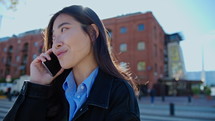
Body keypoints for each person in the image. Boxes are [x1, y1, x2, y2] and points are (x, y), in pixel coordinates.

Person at [3, 5, 140, 121]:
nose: (56, 43)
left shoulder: (119, 91)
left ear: (92, 33)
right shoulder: (51, 89)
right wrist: (36, 86)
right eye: (54, 37)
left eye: (64, 29)